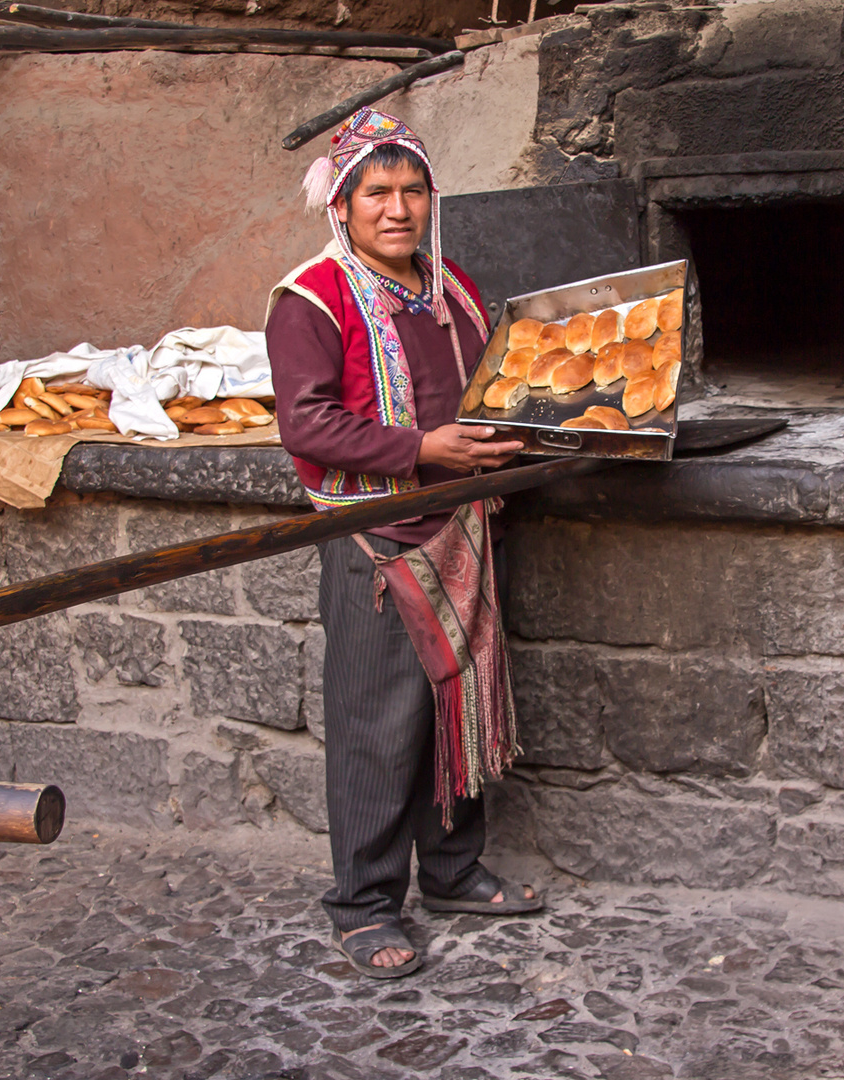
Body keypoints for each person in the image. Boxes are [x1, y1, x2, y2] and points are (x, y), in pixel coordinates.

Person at [265, 108, 540, 978]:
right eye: (376, 192)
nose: (397, 208)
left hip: (460, 524)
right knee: (377, 723)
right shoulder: (311, 298)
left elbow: (480, 381)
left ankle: (453, 871)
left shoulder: (445, 281)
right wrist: (422, 450)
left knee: (454, 706)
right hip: (375, 539)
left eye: (412, 190)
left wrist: (522, 428)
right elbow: (306, 425)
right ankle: (364, 903)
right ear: (341, 205)